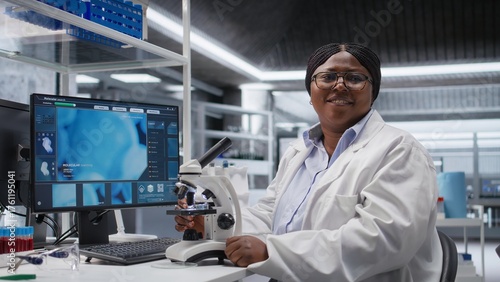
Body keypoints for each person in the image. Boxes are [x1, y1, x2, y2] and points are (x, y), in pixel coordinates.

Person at [175, 42, 443, 281]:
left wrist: (272, 251)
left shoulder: (400, 150)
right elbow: (270, 215)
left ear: (373, 92)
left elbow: (384, 240)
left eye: (355, 78)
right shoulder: (297, 152)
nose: (340, 85)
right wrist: (213, 224)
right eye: (327, 77)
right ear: (310, 91)